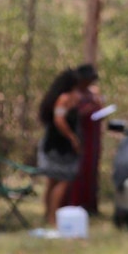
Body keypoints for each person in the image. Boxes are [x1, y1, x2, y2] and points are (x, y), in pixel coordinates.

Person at [36, 68, 82, 228]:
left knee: (52, 181)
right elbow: (59, 120)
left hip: (55, 145)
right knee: (63, 180)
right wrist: (72, 138)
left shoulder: (64, 97)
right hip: (58, 146)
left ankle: (48, 213)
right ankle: (52, 218)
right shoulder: (64, 98)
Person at [62, 63, 104, 215]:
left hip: (93, 136)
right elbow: (70, 115)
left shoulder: (93, 92)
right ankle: (75, 203)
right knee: (78, 170)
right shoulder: (73, 94)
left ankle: (90, 204)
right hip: (81, 134)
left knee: (91, 170)